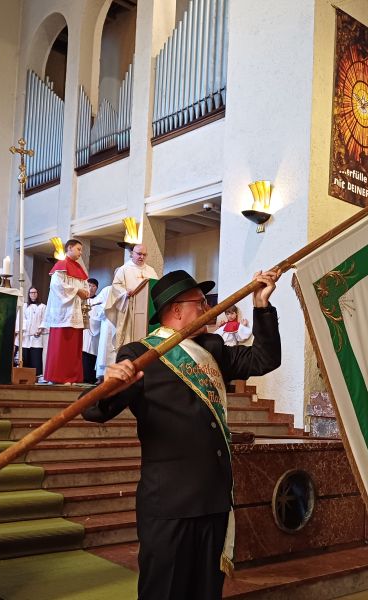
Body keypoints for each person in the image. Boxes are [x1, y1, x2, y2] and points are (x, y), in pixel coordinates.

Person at [83, 268, 282, 600]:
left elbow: (265, 358)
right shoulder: (139, 355)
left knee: (206, 592)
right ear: (176, 310)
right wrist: (108, 385)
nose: (208, 308)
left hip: (214, 499)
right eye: (200, 302)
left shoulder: (212, 348)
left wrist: (262, 305)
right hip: (170, 504)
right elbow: (95, 410)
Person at [42, 239, 90, 384]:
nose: (81, 253)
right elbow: (57, 286)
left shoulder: (80, 269)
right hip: (63, 313)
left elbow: (85, 286)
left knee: (73, 348)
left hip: (75, 313)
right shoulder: (61, 266)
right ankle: (57, 377)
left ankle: (72, 377)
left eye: (81, 250)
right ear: (69, 248)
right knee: (60, 347)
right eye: (78, 249)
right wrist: (77, 291)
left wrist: (85, 292)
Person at [104, 243, 159, 350]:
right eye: (139, 254)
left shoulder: (151, 270)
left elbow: (155, 285)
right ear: (132, 254)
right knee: (130, 337)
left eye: (144, 254)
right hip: (130, 307)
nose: (141, 257)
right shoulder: (124, 269)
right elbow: (116, 286)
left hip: (148, 309)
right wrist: (125, 293)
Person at [15, 287, 46, 379]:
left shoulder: (43, 307)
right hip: (25, 336)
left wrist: (40, 329)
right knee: (24, 357)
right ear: (28, 294)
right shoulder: (24, 306)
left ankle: (37, 376)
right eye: (31, 293)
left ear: (37, 294)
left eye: (35, 292)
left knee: (36, 357)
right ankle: (24, 376)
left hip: (37, 337)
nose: (33, 294)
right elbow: (20, 318)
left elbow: (45, 319)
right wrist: (22, 330)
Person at [81, 278, 100, 383]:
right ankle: (82, 377)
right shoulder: (81, 299)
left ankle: (91, 378)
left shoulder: (99, 300)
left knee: (92, 353)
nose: (91, 288)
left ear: (96, 288)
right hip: (83, 331)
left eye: (93, 286)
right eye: (89, 285)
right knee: (82, 353)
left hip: (94, 332)